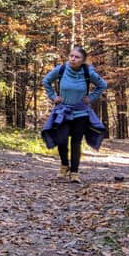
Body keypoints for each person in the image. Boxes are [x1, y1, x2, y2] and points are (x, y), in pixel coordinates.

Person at [41, 46, 108, 183]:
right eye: (71, 56)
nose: (73, 59)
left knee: (76, 142)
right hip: (63, 111)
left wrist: (91, 98)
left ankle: (74, 173)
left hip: (81, 112)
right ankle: (64, 165)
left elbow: (102, 85)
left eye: (77, 57)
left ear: (83, 60)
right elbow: (46, 81)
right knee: (62, 139)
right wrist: (53, 97)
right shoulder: (61, 69)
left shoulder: (87, 72)